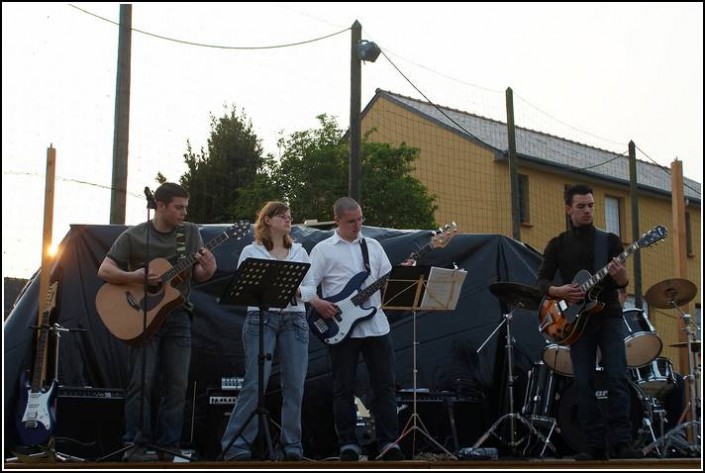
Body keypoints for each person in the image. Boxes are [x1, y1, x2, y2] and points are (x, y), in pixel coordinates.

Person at [97, 182, 217, 461]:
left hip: (178, 316)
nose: (184, 212)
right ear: (159, 206)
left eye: (186, 207)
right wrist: (136, 277)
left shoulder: (190, 234)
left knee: (176, 386)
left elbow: (196, 274)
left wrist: (208, 270)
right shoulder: (135, 236)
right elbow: (105, 269)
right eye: (178, 207)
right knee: (142, 382)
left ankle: (168, 449)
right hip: (142, 318)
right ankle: (134, 446)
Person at [536, 184, 640, 460]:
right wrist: (559, 291)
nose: (587, 211)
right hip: (575, 321)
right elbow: (542, 281)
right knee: (583, 382)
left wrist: (620, 278)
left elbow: (623, 281)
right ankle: (594, 445)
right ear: (569, 209)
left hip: (608, 316)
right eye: (581, 206)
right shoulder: (558, 244)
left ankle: (621, 443)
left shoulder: (609, 241)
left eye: (591, 206)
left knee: (617, 377)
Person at [306, 197, 405, 461]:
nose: (357, 225)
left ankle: (388, 442)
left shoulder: (372, 246)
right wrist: (318, 303)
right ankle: (347, 444)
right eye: (351, 221)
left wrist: (402, 275)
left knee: (384, 386)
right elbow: (305, 286)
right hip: (341, 327)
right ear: (337, 220)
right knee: (343, 387)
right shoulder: (323, 249)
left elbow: (386, 283)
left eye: (360, 219)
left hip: (376, 326)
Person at [221, 201, 316, 461]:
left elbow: (311, 290)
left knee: (295, 385)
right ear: (267, 220)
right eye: (282, 216)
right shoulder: (251, 251)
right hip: (260, 319)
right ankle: (236, 447)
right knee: (255, 382)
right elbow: (245, 288)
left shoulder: (299, 251)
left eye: (289, 216)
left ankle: (292, 448)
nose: (288, 219)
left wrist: (296, 290)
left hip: (294, 320)